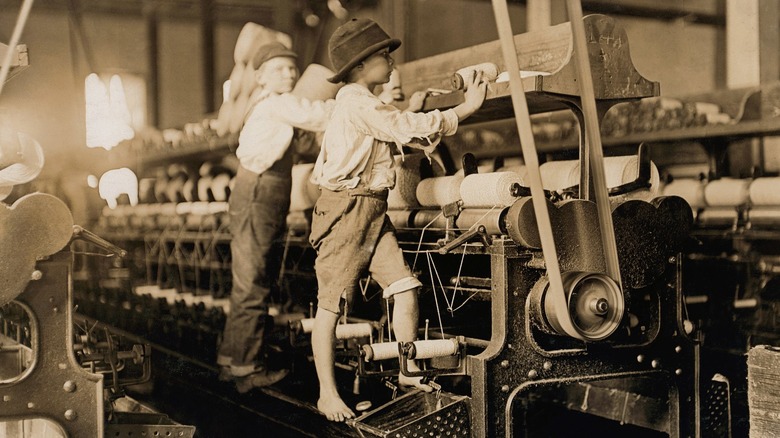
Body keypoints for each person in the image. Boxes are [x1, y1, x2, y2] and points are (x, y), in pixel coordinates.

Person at [308, 18, 487, 422]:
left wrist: (417, 110)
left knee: (405, 288)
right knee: (331, 308)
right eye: (383, 55)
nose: (391, 61)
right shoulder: (356, 101)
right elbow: (404, 128)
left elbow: (398, 127)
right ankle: (326, 394)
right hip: (346, 210)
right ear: (358, 67)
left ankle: (407, 370)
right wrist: (466, 108)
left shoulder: (364, 102)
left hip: (371, 208)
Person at [217, 41, 335, 393]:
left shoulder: (266, 106)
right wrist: (358, 100)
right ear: (260, 77)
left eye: (291, 68)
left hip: (256, 192)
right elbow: (321, 115)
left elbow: (300, 145)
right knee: (253, 282)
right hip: (260, 194)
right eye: (279, 69)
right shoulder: (278, 103)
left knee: (248, 282)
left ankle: (232, 360)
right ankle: (247, 370)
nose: (289, 73)